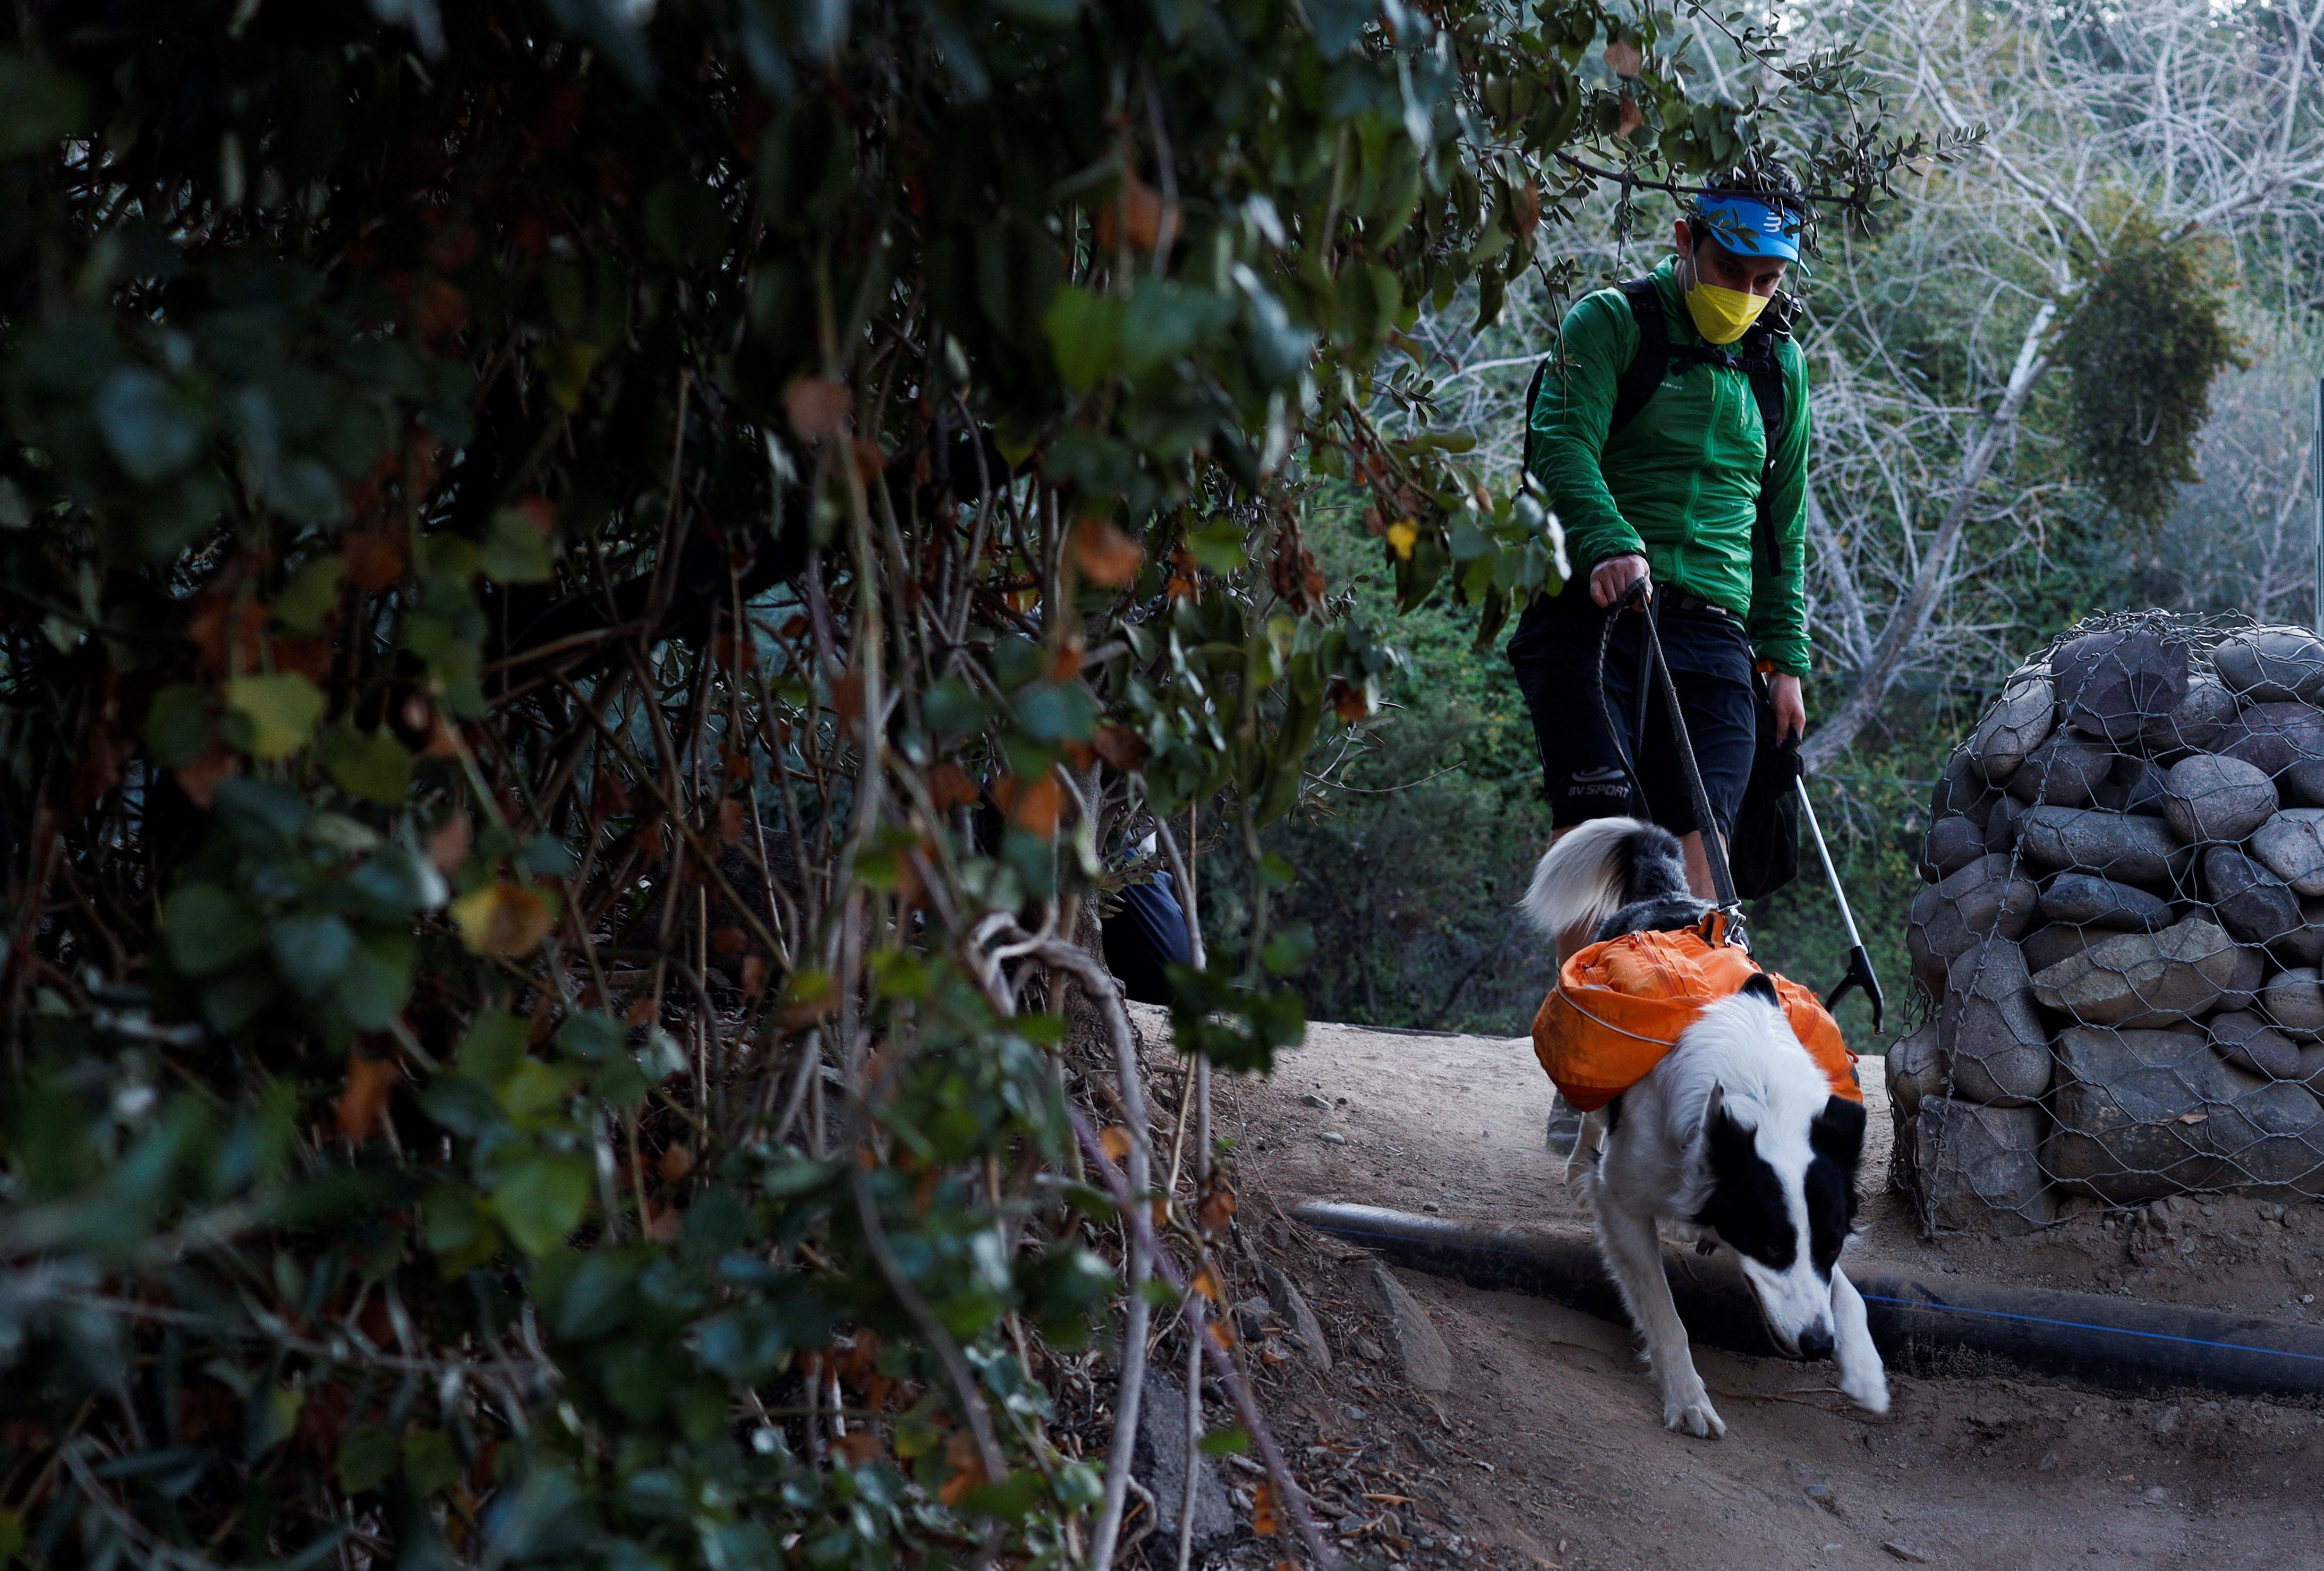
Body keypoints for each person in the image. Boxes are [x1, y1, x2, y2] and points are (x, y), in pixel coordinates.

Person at [1508, 170, 1812, 961]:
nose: (1746, 293)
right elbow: (1561, 442)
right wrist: (1610, 539)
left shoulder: (1781, 370)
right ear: (1684, 240)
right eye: (1729, 272)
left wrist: (1785, 662)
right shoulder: (1610, 323)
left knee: (1705, 834)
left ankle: (1683, 1038)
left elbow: (1783, 524)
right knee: (1600, 824)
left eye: (1765, 281)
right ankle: (1587, 1036)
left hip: (1715, 632)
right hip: (1595, 614)